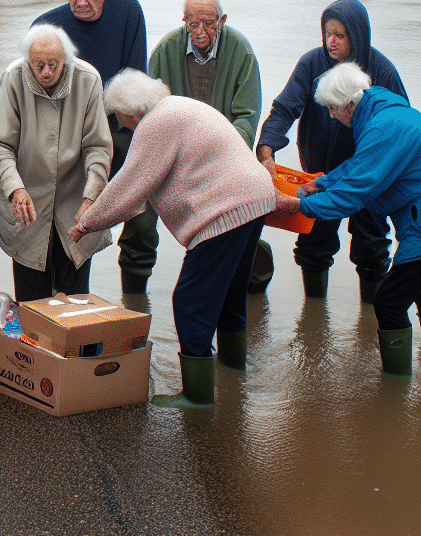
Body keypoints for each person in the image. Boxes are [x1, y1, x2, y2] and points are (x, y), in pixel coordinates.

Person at [70, 71, 276, 409]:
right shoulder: (179, 106)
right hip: (254, 201)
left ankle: (197, 397)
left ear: (129, 111)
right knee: (229, 294)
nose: (121, 125)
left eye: (120, 117)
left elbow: (131, 185)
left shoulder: (156, 123)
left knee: (189, 301)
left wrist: (88, 223)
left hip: (224, 211)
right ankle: (232, 368)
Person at [275, 63, 421, 376]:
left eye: (333, 109)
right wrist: (319, 183)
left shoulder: (381, 127)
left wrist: (299, 206)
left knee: (389, 302)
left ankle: (395, 392)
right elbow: (360, 166)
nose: (331, 116)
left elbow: (356, 193)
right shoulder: (383, 111)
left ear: (349, 104)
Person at [257, 0, 407, 301]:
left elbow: (400, 126)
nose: (331, 42)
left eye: (339, 35)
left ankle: (373, 319)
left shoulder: (383, 71)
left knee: (372, 249)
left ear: (357, 35)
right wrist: (267, 147)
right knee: (314, 246)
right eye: (327, 33)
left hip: (369, 177)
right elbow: (286, 108)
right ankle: (314, 319)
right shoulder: (312, 63)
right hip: (320, 173)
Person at [32, 0, 150, 293]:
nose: (80, 1)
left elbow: (133, 81)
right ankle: (68, 296)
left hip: (119, 124)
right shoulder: (47, 28)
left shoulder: (128, 12)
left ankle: (135, 300)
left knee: (141, 220)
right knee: (75, 215)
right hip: (68, 133)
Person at [144, 0, 270, 291]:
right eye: (193, 24)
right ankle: (136, 297)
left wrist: (220, 153)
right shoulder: (164, 51)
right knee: (141, 221)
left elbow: (247, 116)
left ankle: (250, 284)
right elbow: (152, 112)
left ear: (222, 21)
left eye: (209, 24)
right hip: (176, 154)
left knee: (239, 218)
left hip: (225, 154)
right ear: (184, 21)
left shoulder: (241, 52)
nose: (200, 32)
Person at [0, 24, 112, 301]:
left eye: (52, 64)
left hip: (74, 199)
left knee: (75, 299)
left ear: (65, 59)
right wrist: (15, 190)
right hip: (27, 199)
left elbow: (98, 148)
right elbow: (0, 144)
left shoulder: (88, 79)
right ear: (28, 60)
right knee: (32, 300)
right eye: (38, 64)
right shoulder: (13, 77)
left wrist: (92, 196)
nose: (45, 72)